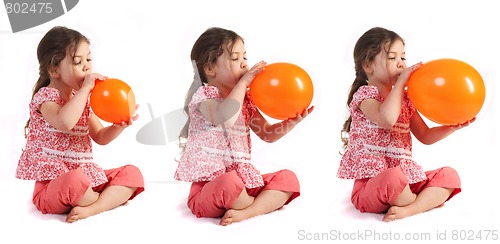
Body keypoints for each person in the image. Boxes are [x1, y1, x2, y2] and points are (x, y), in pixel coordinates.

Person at [174, 27, 314, 226]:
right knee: (228, 182)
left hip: (244, 183)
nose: (244, 64)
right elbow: (226, 117)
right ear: (210, 69)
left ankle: (247, 211)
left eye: (245, 57)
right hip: (210, 189)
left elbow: (268, 134)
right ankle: (258, 204)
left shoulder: (246, 101)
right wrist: (244, 82)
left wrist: (290, 122)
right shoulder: (204, 98)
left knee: (288, 179)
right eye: (235, 58)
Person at [337, 27, 474, 222]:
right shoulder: (365, 96)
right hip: (372, 187)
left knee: (449, 176)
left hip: (406, 181)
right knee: (393, 177)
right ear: (368, 66)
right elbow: (387, 119)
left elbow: (425, 136)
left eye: (403, 57)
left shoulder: (406, 101)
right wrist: (401, 84)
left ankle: (409, 208)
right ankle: (422, 201)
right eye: (392, 58)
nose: (401, 64)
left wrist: (452, 126)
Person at [16, 26, 145, 223]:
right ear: (54, 69)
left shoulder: (81, 99)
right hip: (53, 188)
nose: (86, 67)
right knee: (75, 180)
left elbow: (100, 136)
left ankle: (92, 208)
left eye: (88, 59)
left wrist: (119, 126)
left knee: (132, 174)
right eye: (78, 61)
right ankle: (103, 200)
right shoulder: (46, 99)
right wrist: (85, 89)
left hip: (85, 181)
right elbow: (64, 122)